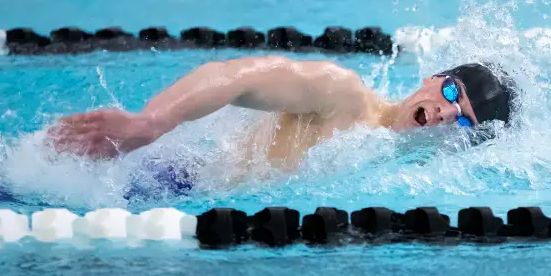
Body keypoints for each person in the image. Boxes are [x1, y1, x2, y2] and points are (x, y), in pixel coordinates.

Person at [48, 57, 517, 196]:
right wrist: (152, 122)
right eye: (453, 94)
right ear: (433, 79)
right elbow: (235, 77)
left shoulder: (402, 177)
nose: (445, 112)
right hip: (161, 182)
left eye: (463, 121)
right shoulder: (345, 95)